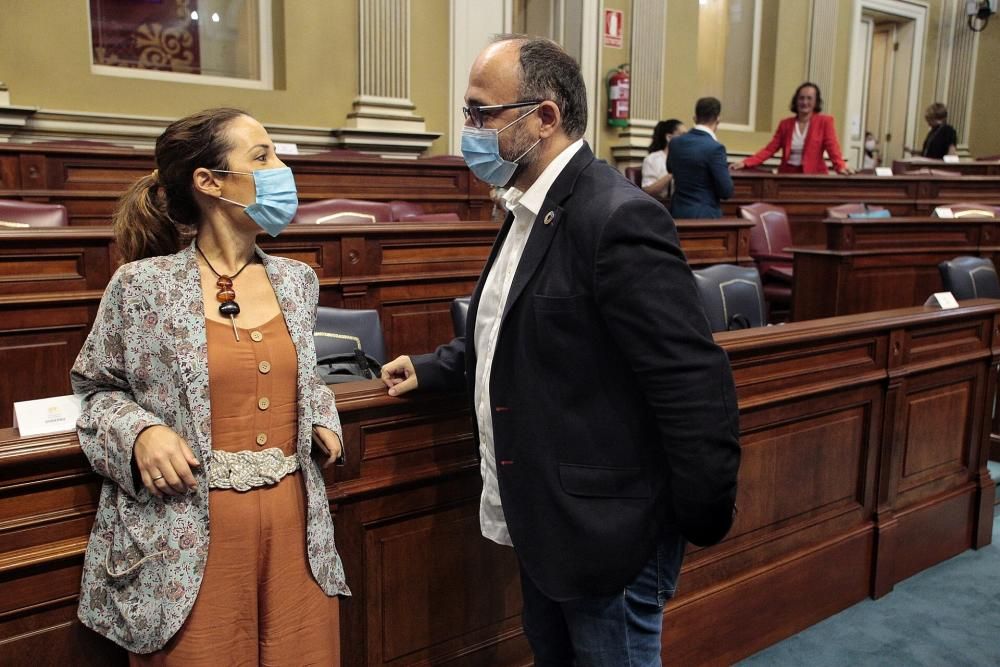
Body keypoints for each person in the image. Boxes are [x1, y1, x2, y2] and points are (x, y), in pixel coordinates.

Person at [381, 36, 741, 666]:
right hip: (549, 524)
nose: (468, 132)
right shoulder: (527, 208)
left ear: (544, 117)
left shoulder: (615, 216)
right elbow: (511, 327)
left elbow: (691, 381)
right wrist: (440, 367)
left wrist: (692, 520)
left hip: (612, 538)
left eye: (480, 114)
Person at [71, 108, 349, 664]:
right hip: (186, 537)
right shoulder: (141, 286)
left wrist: (321, 411)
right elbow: (95, 391)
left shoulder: (297, 280)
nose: (280, 168)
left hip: (298, 531)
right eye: (262, 156)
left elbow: (304, 373)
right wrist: (140, 433)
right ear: (209, 182)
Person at [732, 81, 852, 175]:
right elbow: (769, 150)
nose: (804, 102)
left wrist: (841, 166)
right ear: (796, 100)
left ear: (816, 102)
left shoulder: (825, 122)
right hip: (787, 175)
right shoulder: (785, 124)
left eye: (809, 98)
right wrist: (746, 163)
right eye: (801, 98)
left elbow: (833, 148)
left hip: (813, 176)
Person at [666, 97, 733, 219]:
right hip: (705, 218)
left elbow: (670, 169)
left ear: (695, 118)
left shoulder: (675, 143)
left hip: (677, 212)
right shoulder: (715, 148)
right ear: (718, 119)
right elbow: (726, 191)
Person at [641, 118, 687, 198]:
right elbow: (648, 191)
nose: (686, 139)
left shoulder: (687, 158)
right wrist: (672, 173)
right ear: (669, 137)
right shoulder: (653, 159)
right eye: (682, 135)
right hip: (662, 205)